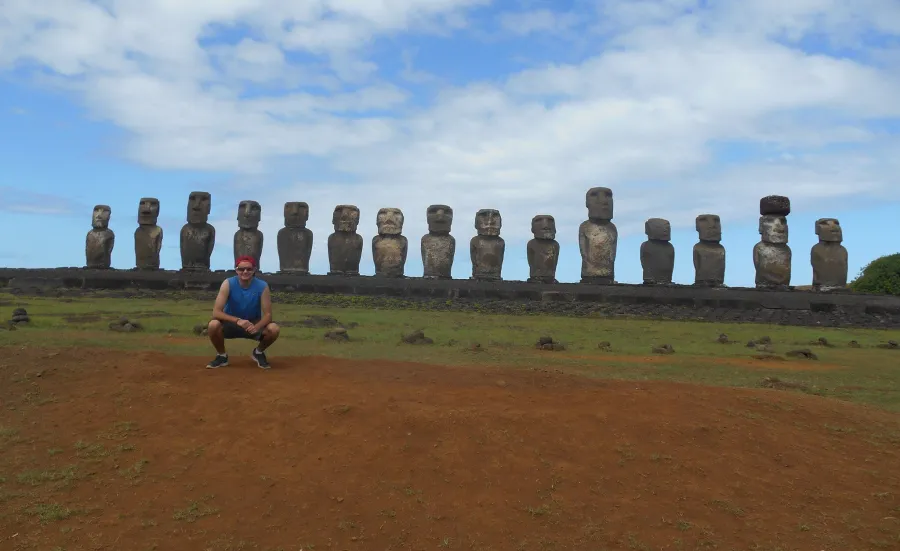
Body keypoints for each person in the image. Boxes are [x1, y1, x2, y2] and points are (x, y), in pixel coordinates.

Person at [206, 255, 280, 369]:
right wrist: (238, 321)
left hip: (252, 324)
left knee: (274, 329)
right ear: (236, 270)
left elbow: (268, 315)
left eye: (249, 269)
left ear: (254, 270)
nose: (245, 271)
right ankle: (222, 356)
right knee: (213, 325)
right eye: (241, 269)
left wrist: (257, 326)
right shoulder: (228, 283)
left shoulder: (262, 285)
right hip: (231, 322)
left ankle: (258, 352)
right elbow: (216, 312)